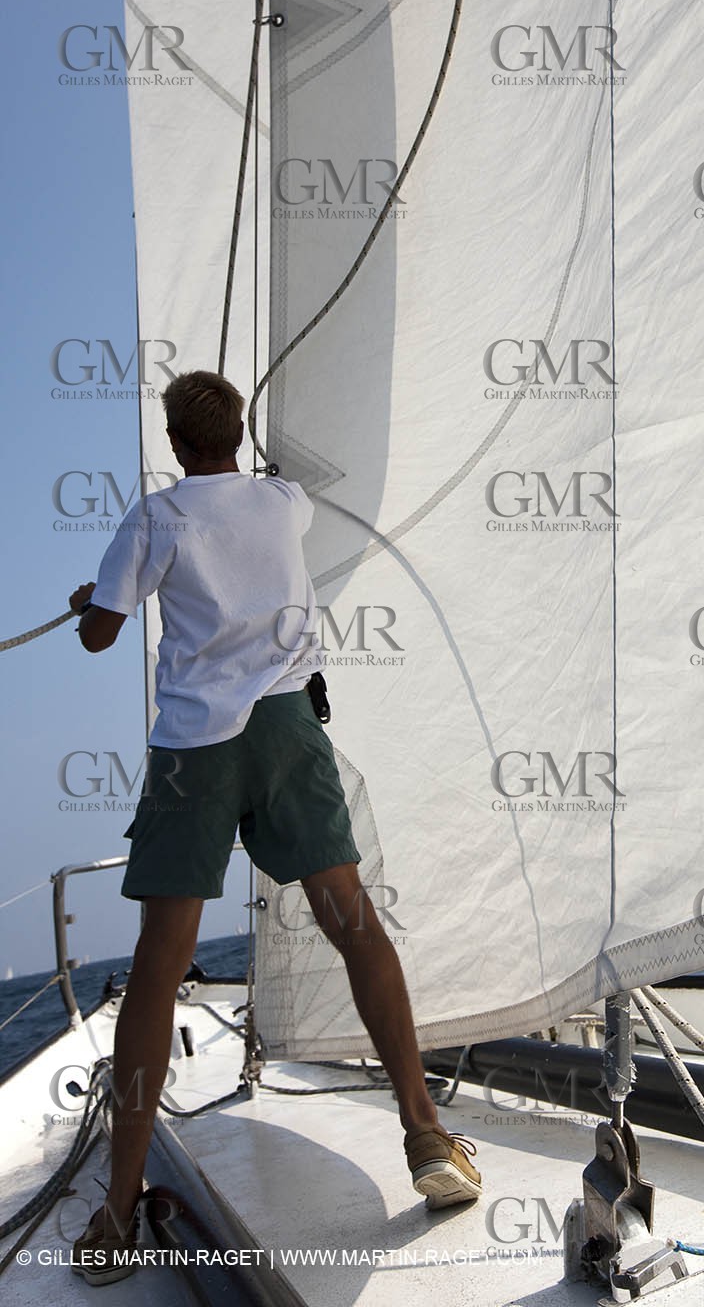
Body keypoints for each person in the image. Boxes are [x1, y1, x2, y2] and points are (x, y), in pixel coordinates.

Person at [68, 370, 479, 1286]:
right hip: (288, 730)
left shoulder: (156, 518)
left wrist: (86, 603)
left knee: (156, 967)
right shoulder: (282, 503)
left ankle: (120, 1205)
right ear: (239, 434)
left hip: (195, 751)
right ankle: (426, 1136)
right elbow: (289, 480)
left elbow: (102, 633)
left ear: (173, 442)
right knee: (354, 925)